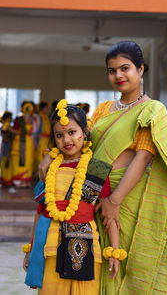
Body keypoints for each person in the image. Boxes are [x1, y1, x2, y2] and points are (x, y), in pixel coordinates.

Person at [38, 41, 167, 294]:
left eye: (125, 68)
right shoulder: (104, 108)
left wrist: (115, 201)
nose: (118, 76)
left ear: (140, 69)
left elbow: (143, 157)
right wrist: (50, 156)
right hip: (93, 193)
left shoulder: (152, 109)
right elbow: (83, 143)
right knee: (98, 266)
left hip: (126, 197)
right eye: (112, 70)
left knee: (123, 261)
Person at [22, 100, 126, 294]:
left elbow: (108, 215)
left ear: (84, 132)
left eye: (72, 132)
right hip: (50, 247)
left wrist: (115, 251)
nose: (66, 140)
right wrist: (31, 248)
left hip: (86, 248)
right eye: (59, 135)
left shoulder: (95, 170)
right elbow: (40, 211)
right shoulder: (50, 168)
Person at [11, 101, 34, 188]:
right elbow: (15, 130)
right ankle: (18, 181)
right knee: (19, 160)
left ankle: (26, 180)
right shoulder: (19, 119)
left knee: (28, 161)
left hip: (28, 142)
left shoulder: (33, 119)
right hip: (20, 141)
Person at [35, 101, 51, 168]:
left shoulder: (47, 117)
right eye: (46, 108)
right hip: (41, 140)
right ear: (42, 108)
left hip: (47, 141)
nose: (48, 110)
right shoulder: (38, 117)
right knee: (40, 157)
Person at [0, 111, 13, 185]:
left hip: (6, 144)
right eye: (10, 117)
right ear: (8, 118)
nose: (11, 119)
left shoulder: (6, 125)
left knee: (6, 161)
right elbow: (4, 135)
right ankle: (4, 179)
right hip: (6, 145)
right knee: (5, 161)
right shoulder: (6, 125)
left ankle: (5, 179)